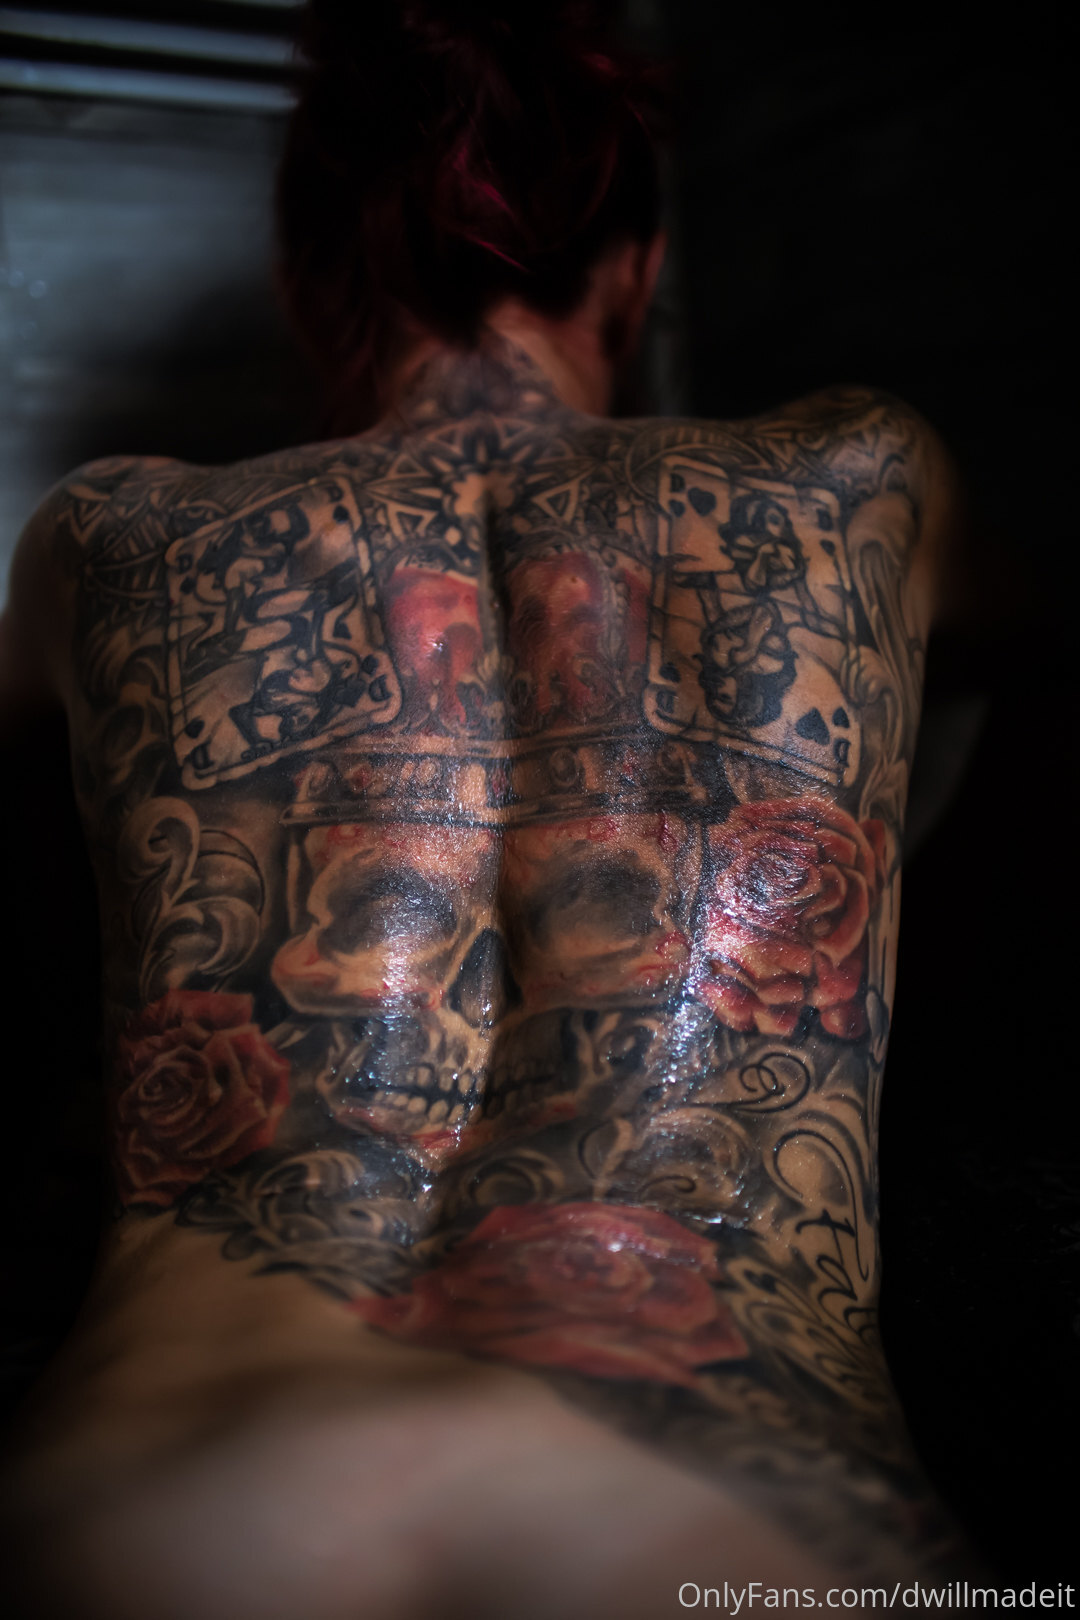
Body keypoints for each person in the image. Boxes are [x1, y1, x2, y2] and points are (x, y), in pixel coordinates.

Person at [0, 2, 972, 1614]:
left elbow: (54, 982)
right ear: (638, 269)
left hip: (167, 1478)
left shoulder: (103, 537)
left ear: (315, 277)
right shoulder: (863, 475)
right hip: (724, 1500)